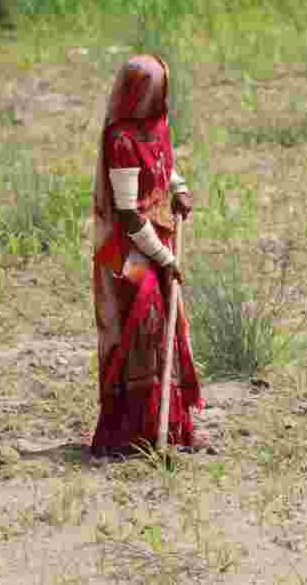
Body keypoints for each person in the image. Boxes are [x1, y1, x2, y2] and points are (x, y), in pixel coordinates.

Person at [90, 54, 205, 457]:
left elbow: (162, 162)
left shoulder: (157, 127)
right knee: (146, 317)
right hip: (128, 247)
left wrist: (179, 186)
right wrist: (164, 258)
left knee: (167, 323)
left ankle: (170, 425)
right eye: (151, 92)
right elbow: (128, 212)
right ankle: (132, 432)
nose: (157, 100)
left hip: (156, 237)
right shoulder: (119, 139)